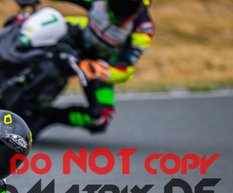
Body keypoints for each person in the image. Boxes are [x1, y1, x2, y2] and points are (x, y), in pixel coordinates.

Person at [34, 0, 154, 134]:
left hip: (99, 64)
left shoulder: (143, 29)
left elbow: (126, 69)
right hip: (74, 36)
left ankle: (45, 116)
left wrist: (100, 70)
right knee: (39, 30)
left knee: (101, 118)